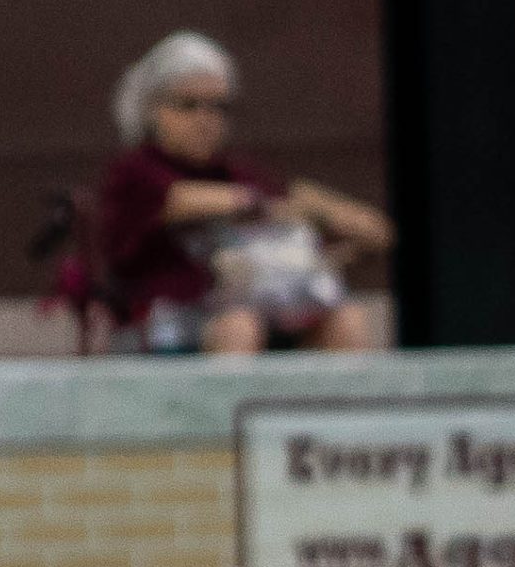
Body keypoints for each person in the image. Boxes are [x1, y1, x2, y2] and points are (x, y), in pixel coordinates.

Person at [95, 32, 392, 355]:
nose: (205, 120)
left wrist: (332, 222)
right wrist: (272, 206)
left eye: (217, 107)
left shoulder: (234, 170)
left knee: (346, 319)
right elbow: (185, 200)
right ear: (152, 108)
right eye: (188, 105)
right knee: (239, 326)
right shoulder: (136, 169)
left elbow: (361, 225)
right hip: (162, 323)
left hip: (258, 310)